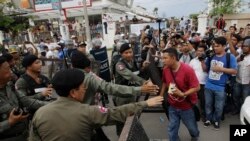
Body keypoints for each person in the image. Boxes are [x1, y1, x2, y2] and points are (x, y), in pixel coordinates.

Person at [28, 68, 163, 141]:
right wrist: (145, 103)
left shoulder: (40, 113)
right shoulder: (88, 111)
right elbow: (115, 113)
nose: (85, 89)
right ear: (73, 92)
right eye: (82, 87)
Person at [70, 50, 159, 105]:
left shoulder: (133, 61)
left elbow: (136, 72)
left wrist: (142, 68)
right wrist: (142, 87)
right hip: (121, 96)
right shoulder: (119, 64)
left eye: (130, 52)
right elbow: (111, 88)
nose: (129, 54)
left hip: (129, 93)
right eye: (126, 52)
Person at [0, 56, 46, 140]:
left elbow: (26, 100)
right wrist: (9, 122)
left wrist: (53, 105)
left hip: (24, 135)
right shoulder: (21, 82)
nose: (11, 71)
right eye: (7, 69)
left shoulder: (9, 86)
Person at [160, 47, 200, 141]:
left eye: (165, 58)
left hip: (187, 107)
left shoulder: (187, 70)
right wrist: (161, 96)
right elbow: (165, 82)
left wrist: (183, 94)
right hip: (172, 105)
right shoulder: (166, 69)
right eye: (162, 58)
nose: (163, 61)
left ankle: (195, 136)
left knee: (192, 128)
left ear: (173, 58)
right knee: (172, 128)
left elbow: (197, 87)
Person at [203, 37, 237, 130]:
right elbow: (205, 69)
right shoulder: (211, 56)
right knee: (208, 104)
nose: (215, 48)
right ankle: (208, 119)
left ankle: (216, 120)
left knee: (219, 107)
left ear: (224, 46)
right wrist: (202, 59)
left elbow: (234, 71)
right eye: (214, 46)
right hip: (208, 85)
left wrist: (221, 69)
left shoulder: (230, 57)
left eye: (217, 46)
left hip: (221, 87)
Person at [189, 45, 208, 121]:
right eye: (198, 51)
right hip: (194, 84)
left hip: (204, 84)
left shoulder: (208, 60)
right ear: (196, 51)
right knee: (193, 100)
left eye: (202, 51)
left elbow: (206, 70)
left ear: (204, 51)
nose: (200, 52)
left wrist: (202, 61)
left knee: (203, 101)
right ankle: (194, 114)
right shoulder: (193, 61)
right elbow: (189, 72)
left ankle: (203, 115)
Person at [232, 38, 250, 114]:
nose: (244, 47)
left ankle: (243, 112)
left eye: (247, 46)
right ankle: (237, 109)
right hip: (237, 81)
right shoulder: (239, 55)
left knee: (245, 98)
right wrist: (238, 59)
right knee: (235, 97)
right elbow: (233, 65)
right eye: (243, 46)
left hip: (247, 83)